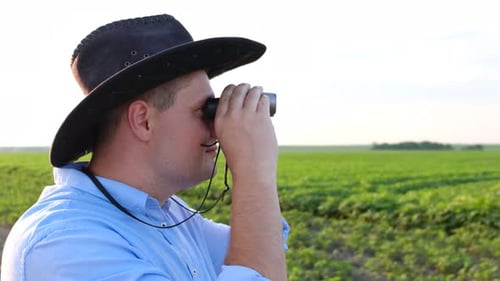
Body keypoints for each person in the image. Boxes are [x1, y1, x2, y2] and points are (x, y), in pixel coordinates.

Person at [1, 14, 289, 281]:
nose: (217, 127)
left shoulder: (166, 214)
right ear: (143, 121)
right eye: (205, 110)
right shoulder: (66, 242)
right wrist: (254, 171)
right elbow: (260, 260)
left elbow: (262, 243)